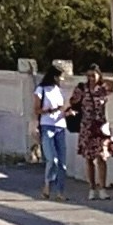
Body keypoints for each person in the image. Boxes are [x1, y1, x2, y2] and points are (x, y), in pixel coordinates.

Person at [74, 60, 113, 196]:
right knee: (89, 158)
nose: (91, 78)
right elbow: (73, 101)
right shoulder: (82, 88)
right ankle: (92, 188)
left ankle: (102, 188)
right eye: (89, 76)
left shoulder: (102, 89)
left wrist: (102, 81)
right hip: (87, 126)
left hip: (100, 126)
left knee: (102, 157)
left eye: (94, 75)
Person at [35, 63, 71, 195]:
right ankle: (47, 184)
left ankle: (60, 191)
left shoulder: (59, 91)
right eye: (60, 77)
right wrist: (52, 110)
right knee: (52, 159)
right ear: (55, 76)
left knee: (62, 162)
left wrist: (67, 113)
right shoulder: (41, 90)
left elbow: (63, 109)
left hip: (60, 125)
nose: (62, 80)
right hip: (47, 125)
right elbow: (37, 109)